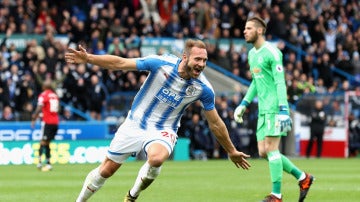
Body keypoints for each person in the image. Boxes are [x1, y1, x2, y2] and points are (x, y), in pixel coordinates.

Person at [65, 39, 251, 202]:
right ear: (185, 58)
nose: (201, 64)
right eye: (198, 59)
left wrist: (231, 150)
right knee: (106, 170)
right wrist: (89, 58)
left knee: (157, 158)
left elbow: (215, 123)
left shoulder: (203, 88)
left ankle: (132, 195)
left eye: (204, 61)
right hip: (134, 123)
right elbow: (120, 63)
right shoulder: (161, 64)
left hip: (164, 129)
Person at [233, 16, 314, 202]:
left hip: (275, 108)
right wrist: (244, 103)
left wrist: (284, 109)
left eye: (248, 28)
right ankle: (303, 178)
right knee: (263, 152)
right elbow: (255, 81)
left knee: (271, 149)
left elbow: (280, 82)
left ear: (259, 30)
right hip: (263, 109)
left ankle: (276, 196)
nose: (244, 31)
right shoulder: (252, 54)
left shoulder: (272, 52)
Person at [31, 79, 60, 171]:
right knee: (47, 142)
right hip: (55, 122)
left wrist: (34, 118)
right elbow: (58, 109)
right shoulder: (55, 95)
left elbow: (39, 107)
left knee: (42, 142)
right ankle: (48, 163)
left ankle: (39, 162)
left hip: (47, 122)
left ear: (44, 87)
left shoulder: (43, 95)